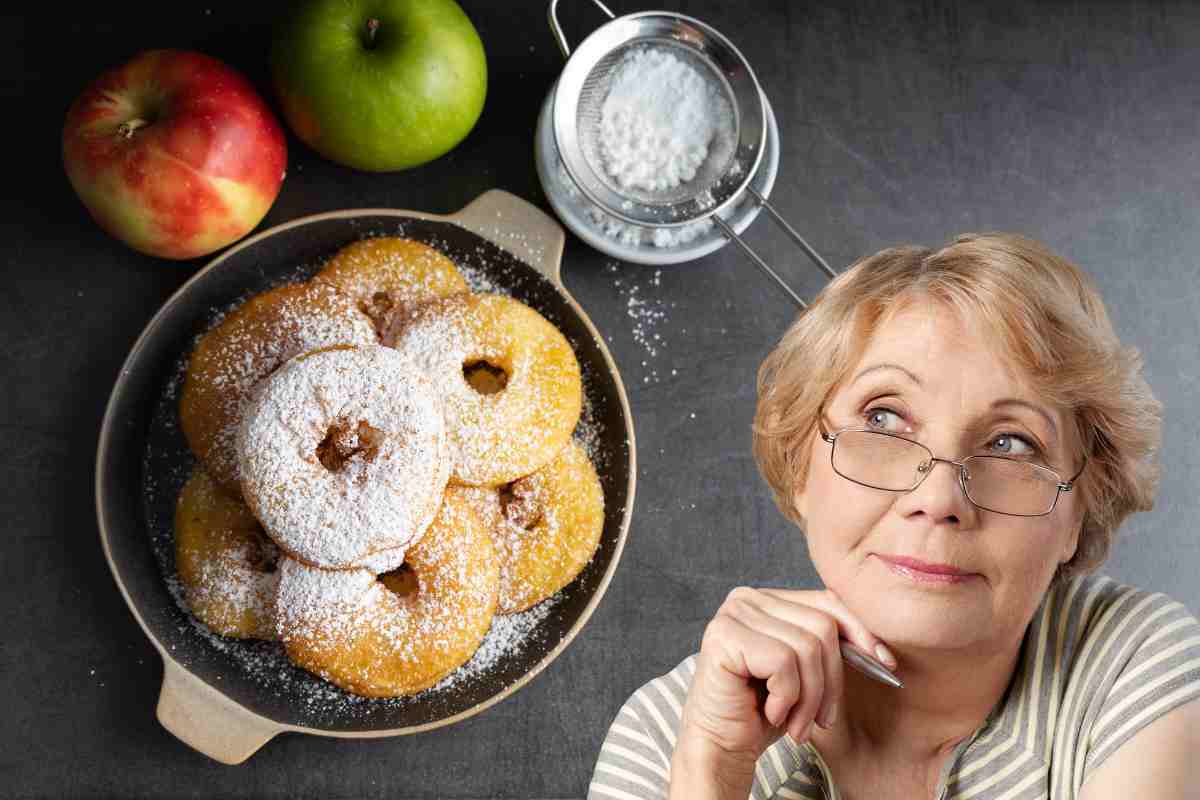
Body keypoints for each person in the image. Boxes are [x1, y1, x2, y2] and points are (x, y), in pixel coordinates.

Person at [588, 234, 1200, 799]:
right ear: (801, 464)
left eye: (1012, 443)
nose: (938, 499)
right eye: (882, 420)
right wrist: (712, 775)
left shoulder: (1133, 661)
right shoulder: (668, 741)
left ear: (1080, 508)